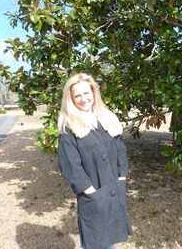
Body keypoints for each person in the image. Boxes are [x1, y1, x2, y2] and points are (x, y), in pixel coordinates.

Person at [57, 73, 133, 249]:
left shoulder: (107, 119)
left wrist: (122, 178)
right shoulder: (69, 127)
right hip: (92, 193)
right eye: (77, 95)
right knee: (95, 242)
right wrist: (92, 192)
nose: (83, 99)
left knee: (110, 239)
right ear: (71, 99)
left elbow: (120, 150)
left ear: (93, 92)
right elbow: (70, 167)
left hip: (114, 187)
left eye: (86, 93)